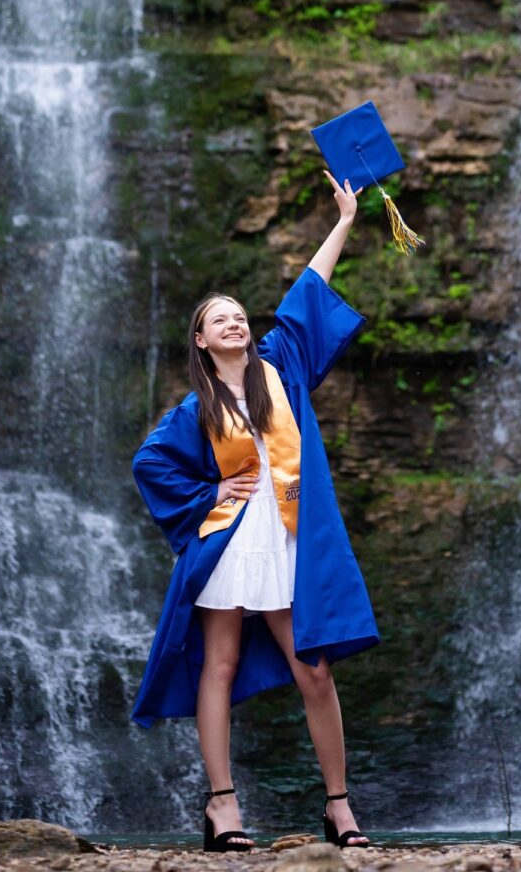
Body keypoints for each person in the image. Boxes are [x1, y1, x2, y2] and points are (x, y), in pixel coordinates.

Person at [131, 170, 379, 851]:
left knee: (314, 669)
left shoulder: (282, 366)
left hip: (288, 537)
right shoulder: (193, 412)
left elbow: (308, 294)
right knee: (218, 662)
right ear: (202, 341)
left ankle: (338, 806)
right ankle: (222, 807)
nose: (236, 321)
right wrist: (209, 494)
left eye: (240, 314)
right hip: (231, 541)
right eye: (221, 319)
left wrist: (344, 221)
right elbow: (148, 464)